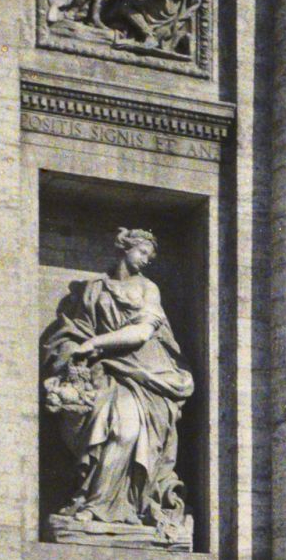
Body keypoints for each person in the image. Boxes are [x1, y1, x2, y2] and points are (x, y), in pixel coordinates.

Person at [41, 228, 195, 537]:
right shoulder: (93, 289)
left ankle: (107, 507)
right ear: (124, 249)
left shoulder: (149, 288)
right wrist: (77, 352)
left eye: (150, 256)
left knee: (127, 431)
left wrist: (96, 342)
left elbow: (141, 333)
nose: (146, 260)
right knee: (106, 428)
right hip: (106, 372)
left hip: (148, 374)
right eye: (141, 252)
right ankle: (92, 502)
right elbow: (73, 332)